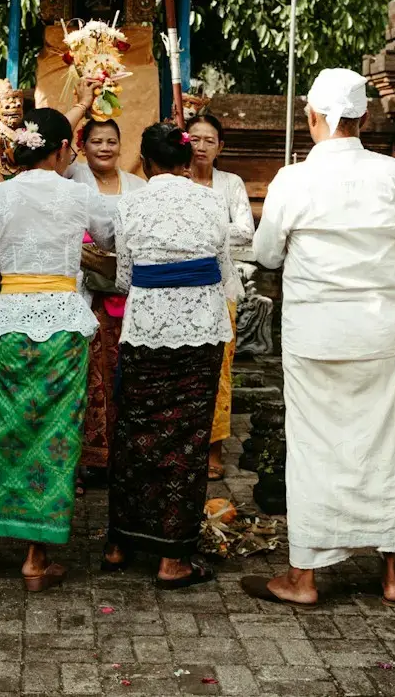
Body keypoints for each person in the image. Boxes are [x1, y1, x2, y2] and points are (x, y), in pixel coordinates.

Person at [243, 68, 395, 608]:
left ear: (313, 117)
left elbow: (267, 253)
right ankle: (393, 572)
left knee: (314, 448)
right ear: (365, 118)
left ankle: (304, 576)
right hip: (377, 329)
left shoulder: (293, 180)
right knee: (382, 443)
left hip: (315, 331)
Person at [0, 107, 117, 590]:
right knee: (52, 437)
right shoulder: (78, 194)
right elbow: (110, 238)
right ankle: (34, 558)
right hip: (64, 325)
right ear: (65, 149)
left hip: (7, 323)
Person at [103, 122, 231, 589]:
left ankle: (119, 543)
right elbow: (223, 266)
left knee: (134, 430)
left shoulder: (130, 203)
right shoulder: (212, 200)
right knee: (186, 440)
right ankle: (172, 559)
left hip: (145, 328)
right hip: (199, 328)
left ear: (146, 161)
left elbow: (124, 278)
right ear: (185, 161)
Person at [64, 117, 143, 476]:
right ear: (82, 145)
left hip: (127, 291)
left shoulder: (139, 186)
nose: (105, 148)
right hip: (84, 288)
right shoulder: (72, 177)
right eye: (97, 141)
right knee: (88, 373)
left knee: (120, 372)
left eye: (112, 141)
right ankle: (85, 457)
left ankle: (119, 454)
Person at [186, 112, 256, 480]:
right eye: (194, 139)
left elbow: (246, 231)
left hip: (221, 289)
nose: (200, 146)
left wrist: (196, 231)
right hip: (179, 289)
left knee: (219, 372)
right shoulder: (174, 181)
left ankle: (214, 449)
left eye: (208, 140)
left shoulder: (230, 184)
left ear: (220, 147)